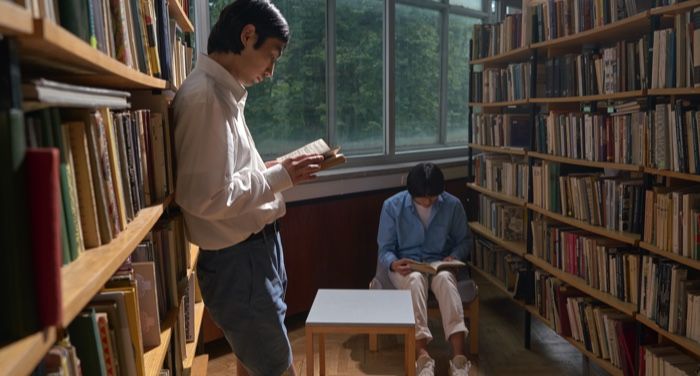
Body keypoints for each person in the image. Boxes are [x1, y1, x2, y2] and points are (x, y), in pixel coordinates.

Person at [172, 1, 323, 375]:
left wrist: (271, 168)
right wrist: (279, 176)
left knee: (255, 359)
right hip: (240, 262)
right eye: (271, 57)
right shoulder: (206, 98)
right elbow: (206, 197)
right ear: (247, 36)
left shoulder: (222, 94)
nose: (271, 72)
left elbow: (225, 175)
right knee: (275, 366)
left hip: (253, 256)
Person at [377, 163, 473, 376]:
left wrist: (454, 256)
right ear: (411, 193)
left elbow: (465, 241)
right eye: (423, 198)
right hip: (407, 268)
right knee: (415, 281)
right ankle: (422, 356)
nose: (429, 201)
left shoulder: (452, 205)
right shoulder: (392, 207)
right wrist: (394, 263)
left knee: (447, 279)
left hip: (438, 264)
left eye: (434, 196)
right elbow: (385, 249)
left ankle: (459, 357)